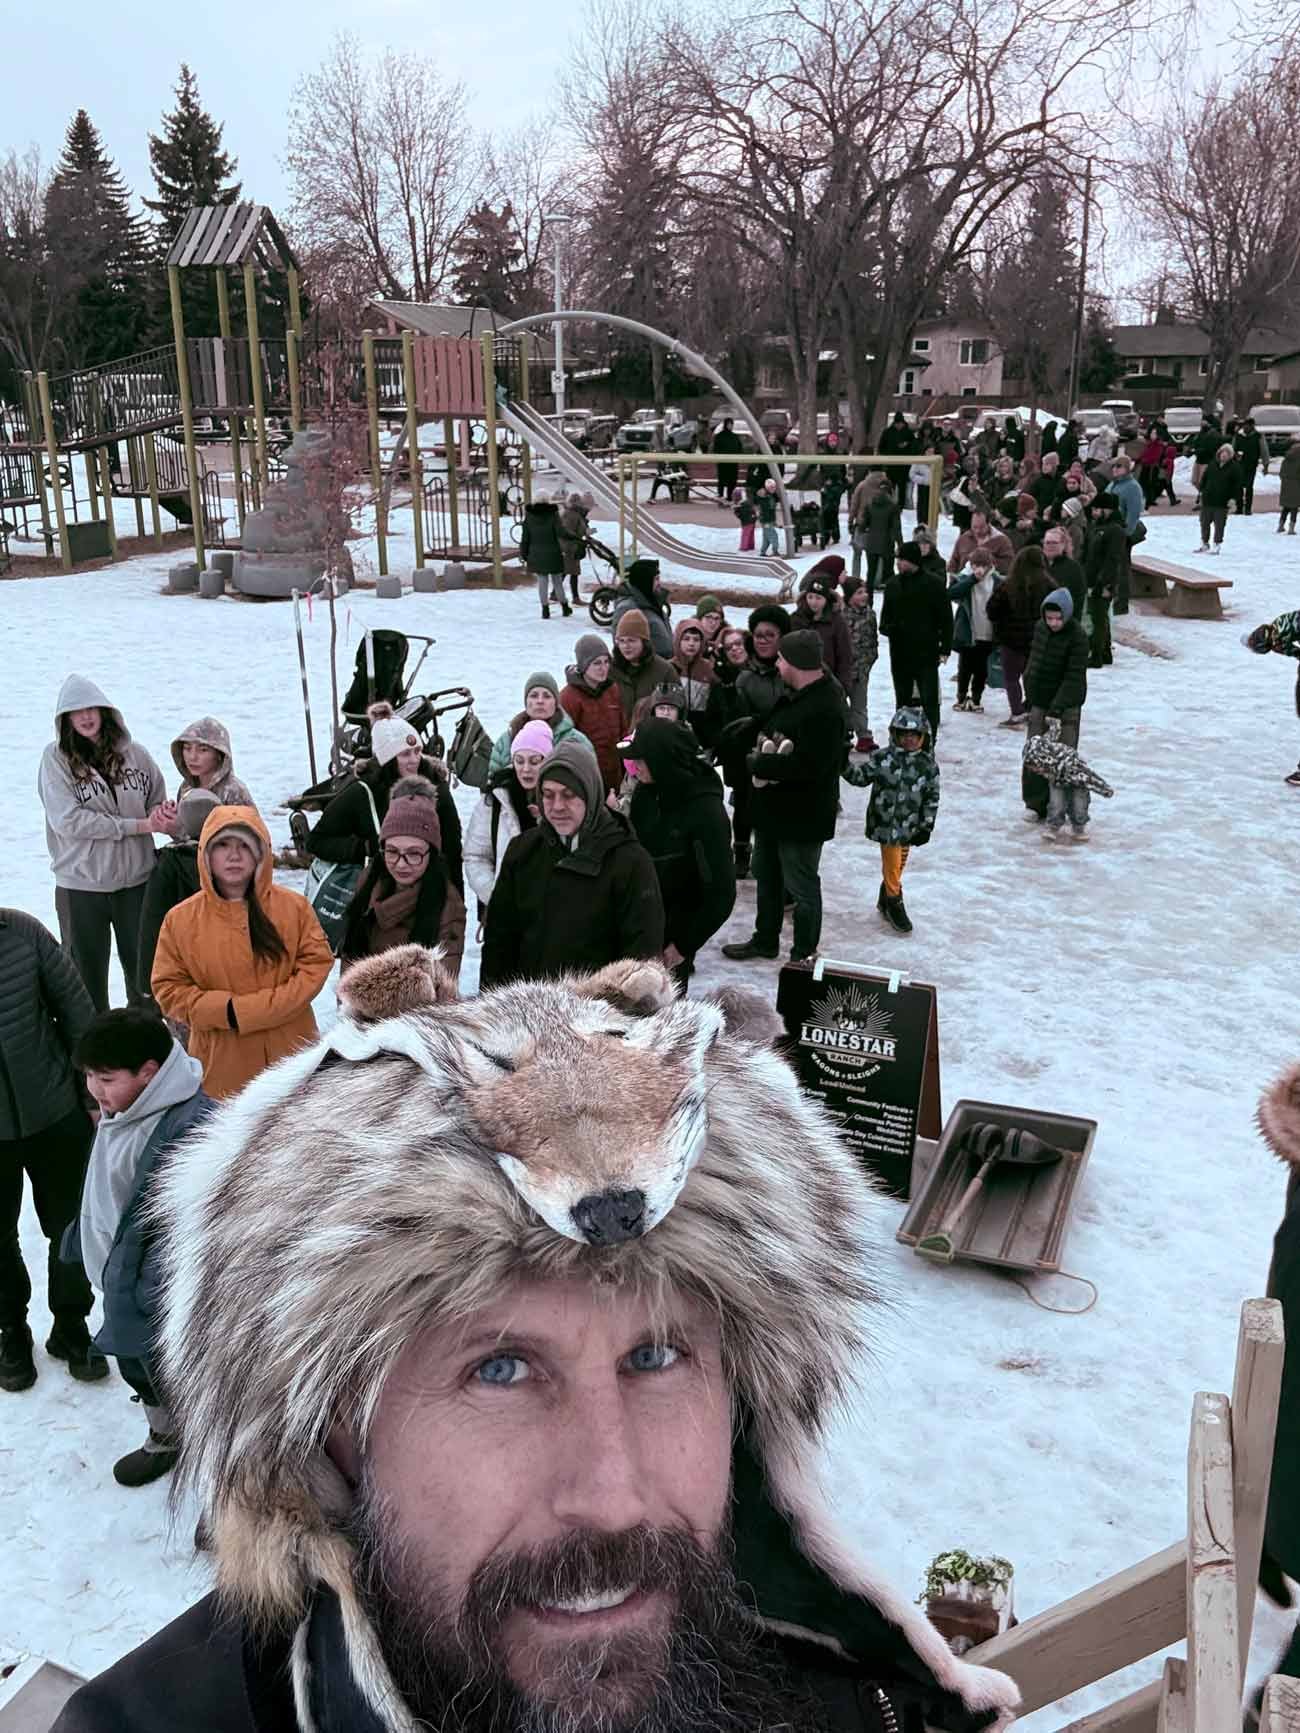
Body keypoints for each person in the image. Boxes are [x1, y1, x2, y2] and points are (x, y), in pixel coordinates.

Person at [59, 951, 1021, 1733]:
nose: (611, 1494)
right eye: (501, 1368)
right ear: (331, 1436)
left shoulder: (845, 1700)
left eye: (656, 1357)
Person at [62, 1009, 211, 1483]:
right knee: (141, 1373)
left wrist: (144, 1299)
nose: (94, 1090)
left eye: (105, 1078)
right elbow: (108, 1186)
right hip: (122, 1284)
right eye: (88, 1076)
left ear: (150, 1071)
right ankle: (166, 1437)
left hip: (159, 1299)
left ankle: (217, 1471)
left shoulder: (189, 1131)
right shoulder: (125, 1107)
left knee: (190, 1384)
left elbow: (187, 1235)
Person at [151, 808, 333, 1101]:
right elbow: (168, 988)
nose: (234, 856)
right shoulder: (180, 920)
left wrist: (269, 1008)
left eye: (244, 846)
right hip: (222, 1063)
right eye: (222, 845)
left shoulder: (293, 908)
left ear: (261, 852)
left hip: (291, 1055)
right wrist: (225, 1011)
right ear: (205, 853)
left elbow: (317, 963)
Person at [0, 908, 100, 1393]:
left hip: (54, 1111)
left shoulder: (23, 933)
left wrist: (89, 1093)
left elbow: (77, 1012)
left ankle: (71, 1325)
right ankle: (10, 1330)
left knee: (67, 1226)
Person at [480, 741, 665, 987]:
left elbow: (641, 961)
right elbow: (499, 944)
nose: (557, 807)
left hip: (594, 1018)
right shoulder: (523, 851)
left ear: (590, 794)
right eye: (548, 794)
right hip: (525, 1014)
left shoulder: (630, 862)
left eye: (569, 795)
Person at [38, 676, 171, 1013]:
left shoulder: (136, 756)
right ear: (65, 719)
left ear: (104, 711)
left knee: (145, 977)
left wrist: (163, 815)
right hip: (82, 886)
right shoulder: (56, 760)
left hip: (136, 882)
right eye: (75, 711)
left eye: (90, 708)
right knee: (85, 981)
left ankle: (146, 1050)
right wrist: (139, 826)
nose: (85, 717)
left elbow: (156, 797)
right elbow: (68, 821)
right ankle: (94, 1058)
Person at [721, 629, 846, 965]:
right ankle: (765, 941)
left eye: (781, 658)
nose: (776, 663)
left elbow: (814, 765)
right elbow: (774, 720)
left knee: (802, 886)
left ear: (797, 662)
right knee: (768, 876)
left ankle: (804, 955)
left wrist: (761, 762)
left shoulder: (827, 706)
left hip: (804, 815)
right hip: (774, 810)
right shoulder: (798, 692)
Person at [300, 705, 463, 897]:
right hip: (376, 897)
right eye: (405, 754)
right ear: (387, 758)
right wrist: (363, 848)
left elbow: (452, 850)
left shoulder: (436, 787)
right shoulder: (363, 792)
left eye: (417, 751)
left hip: (427, 894)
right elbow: (317, 841)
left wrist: (457, 903)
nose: (414, 760)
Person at [624, 718, 735, 991]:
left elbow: (721, 893)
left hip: (670, 941)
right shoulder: (646, 794)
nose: (633, 766)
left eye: (641, 758)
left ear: (662, 759)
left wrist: (682, 946)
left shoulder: (707, 814)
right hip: (635, 927)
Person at [340, 797, 465, 982]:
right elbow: (351, 953)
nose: (401, 864)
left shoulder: (447, 903)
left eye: (414, 854)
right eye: (392, 852)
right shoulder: (369, 880)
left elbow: (442, 982)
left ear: (431, 854)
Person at [842, 706, 940, 935]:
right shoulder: (882, 758)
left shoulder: (927, 766)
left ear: (924, 737)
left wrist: (926, 825)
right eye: (904, 734)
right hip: (885, 824)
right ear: (894, 734)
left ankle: (885, 895)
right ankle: (894, 899)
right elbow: (860, 777)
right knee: (893, 863)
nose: (909, 740)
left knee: (899, 861)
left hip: (910, 825)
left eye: (915, 735)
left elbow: (931, 798)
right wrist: (843, 765)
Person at [136, 788, 220, 1018]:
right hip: (221, 970)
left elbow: (152, 924)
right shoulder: (229, 863)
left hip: (181, 970)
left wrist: (146, 982)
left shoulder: (168, 866)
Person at [464, 721, 548, 918]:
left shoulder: (562, 798)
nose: (526, 769)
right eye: (519, 760)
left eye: (534, 761)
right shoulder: (495, 800)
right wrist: (496, 895)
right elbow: (475, 856)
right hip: (507, 915)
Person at [1022, 588, 1089, 831]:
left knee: (1063, 759)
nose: (1053, 623)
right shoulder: (1041, 630)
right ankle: (1035, 803)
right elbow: (1034, 662)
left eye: (1058, 619)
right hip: (1040, 700)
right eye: (1049, 618)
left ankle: (1067, 809)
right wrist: (1028, 690)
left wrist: (1058, 708)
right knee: (1035, 754)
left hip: (1066, 706)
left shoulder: (1078, 636)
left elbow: (1073, 677)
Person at [879, 540, 953, 741]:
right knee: (902, 699)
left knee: (929, 700)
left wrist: (945, 647)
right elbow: (885, 619)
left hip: (926, 653)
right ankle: (900, 738)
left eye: (901, 559)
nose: (897, 563)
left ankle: (929, 739)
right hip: (900, 652)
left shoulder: (934, 584)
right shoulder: (893, 584)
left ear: (912, 561)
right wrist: (890, 628)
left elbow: (946, 618)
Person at [986, 544, 1052, 727]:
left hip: (1011, 641)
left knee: (1011, 678)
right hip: (1038, 641)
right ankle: (1033, 709)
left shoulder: (1008, 586)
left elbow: (992, 609)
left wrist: (1001, 627)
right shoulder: (1049, 586)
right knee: (1033, 677)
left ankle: (1017, 712)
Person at [486, 673, 591, 782]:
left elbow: (589, 782)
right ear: (526, 702)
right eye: (534, 695)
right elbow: (492, 780)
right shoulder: (507, 740)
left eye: (547, 696)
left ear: (556, 702)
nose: (540, 701)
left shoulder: (576, 741)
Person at [559, 636, 625, 795]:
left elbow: (623, 729)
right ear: (583, 665)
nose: (603, 668)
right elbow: (563, 741)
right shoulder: (569, 697)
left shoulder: (612, 689)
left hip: (615, 774)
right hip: (587, 776)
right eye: (596, 663)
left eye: (606, 662)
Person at [947, 547, 999, 713]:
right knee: (965, 666)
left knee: (981, 669)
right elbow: (952, 594)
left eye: (983, 565)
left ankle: (976, 698)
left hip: (988, 631)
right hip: (968, 631)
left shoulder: (997, 581)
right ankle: (961, 697)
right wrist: (972, 580)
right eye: (976, 565)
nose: (980, 569)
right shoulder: (964, 578)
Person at [169, 716, 255, 809]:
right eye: (187, 748)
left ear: (219, 754)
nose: (192, 757)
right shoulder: (186, 787)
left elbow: (251, 823)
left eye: (203, 750)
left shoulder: (234, 791)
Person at [611, 611, 676, 726]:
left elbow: (678, 709)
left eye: (631, 640)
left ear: (644, 641)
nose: (626, 646)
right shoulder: (610, 669)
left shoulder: (664, 671)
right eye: (622, 641)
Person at [1084, 494, 1126, 670]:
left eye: (1096, 509)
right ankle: (1105, 652)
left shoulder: (1115, 530)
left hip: (1103, 582)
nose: (1093, 513)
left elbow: (1112, 559)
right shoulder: (1097, 527)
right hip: (1092, 578)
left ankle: (1097, 655)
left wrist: (1103, 584)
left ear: (1107, 509)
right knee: (1099, 616)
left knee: (1098, 618)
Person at [791, 572, 854, 690]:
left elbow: (844, 655)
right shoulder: (796, 619)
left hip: (828, 684)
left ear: (827, 599)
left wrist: (843, 686)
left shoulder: (837, 622)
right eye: (810, 597)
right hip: (799, 683)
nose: (813, 602)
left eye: (818, 598)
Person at [841, 574, 880, 751]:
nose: (864, 595)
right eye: (859, 592)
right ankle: (842, 734)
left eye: (865, 592)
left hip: (862, 669)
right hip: (842, 671)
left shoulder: (870, 614)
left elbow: (873, 640)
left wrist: (870, 659)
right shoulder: (840, 616)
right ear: (849, 597)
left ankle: (864, 736)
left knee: (859, 706)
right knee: (840, 705)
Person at [520, 494, 571, 620]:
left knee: (542, 581)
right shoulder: (553, 515)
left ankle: (545, 610)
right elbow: (561, 532)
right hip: (553, 552)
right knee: (557, 582)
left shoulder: (529, 516)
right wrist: (574, 536)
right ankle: (565, 607)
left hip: (536, 553)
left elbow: (525, 537)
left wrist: (524, 553)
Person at [611, 558, 674, 658]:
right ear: (645, 580)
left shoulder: (652, 602)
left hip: (663, 667)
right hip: (647, 669)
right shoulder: (627, 608)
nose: (659, 583)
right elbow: (622, 647)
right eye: (656, 579)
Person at [1104, 455, 1144, 614]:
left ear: (1127, 469)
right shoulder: (1112, 484)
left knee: (1122, 569)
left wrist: (1126, 533)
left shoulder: (1132, 487)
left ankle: (1121, 604)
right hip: (1109, 531)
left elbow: (1133, 513)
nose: (1115, 469)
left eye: (1119, 466)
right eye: (1113, 466)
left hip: (1121, 533)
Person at [852, 474, 903, 598]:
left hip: (872, 543)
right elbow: (896, 528)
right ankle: (892, 600)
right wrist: (900, 544)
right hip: (887, 544)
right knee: (889, 574)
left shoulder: (870, 505)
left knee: (871, 574)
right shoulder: (893, 507)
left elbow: (864, 525)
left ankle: (868, 601)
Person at [670, 618, 717, 740]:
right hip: (675, 728)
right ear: (678, 640)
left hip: (702, 732)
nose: (691, 643)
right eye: (686, 639)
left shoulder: (708, 668)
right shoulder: (668, 667)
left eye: (696, 639)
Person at [1197, 443, 1244, 555]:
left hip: (1222, 501)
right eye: (1222, 452)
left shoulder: (1234, 468)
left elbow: (1237, 486)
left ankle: (1217, 544)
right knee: (1204, 522)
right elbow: (1204, 479)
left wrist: (1233, 499)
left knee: (1219, 524)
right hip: (1208, 499)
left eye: (1227, 453)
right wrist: (1202, 491)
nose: (1224, 455)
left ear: (1230, 455)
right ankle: (1204, 543)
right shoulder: (1212, 465)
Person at [947, 509, 1013, 578]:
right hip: (964, 584)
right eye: (974, 527)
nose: (977, 531)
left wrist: (986, 560)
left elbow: (1009, 565)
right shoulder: (964, 538)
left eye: (981, 527)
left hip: (990, 585)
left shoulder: (1001, 540)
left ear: (988, 524)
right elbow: (953, 562)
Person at [1042, 524, 1086, 622]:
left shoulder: (1073, 567)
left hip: (1063, 621)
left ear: (1063, 545)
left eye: (1054, 543)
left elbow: (1077, 599)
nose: (1050, 546)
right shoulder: (1039, 564)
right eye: (1047, 542)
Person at [712, 414, 742, 498]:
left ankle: (729, 497)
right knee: (722, 481)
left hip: (732, 464)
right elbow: (716, 450)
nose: (730, 426)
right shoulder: (719, 437)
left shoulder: (735, 437)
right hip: (723, 464)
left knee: (732, 481)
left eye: (731, 424)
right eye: (729, 424)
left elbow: (739, 449)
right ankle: (721, 497)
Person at [1191, 418, 1221, 501]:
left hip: (1207, 461)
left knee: (1203, 481)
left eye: (1204, 421)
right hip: (1199, 460)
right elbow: (1195, 443)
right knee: (1194, 481)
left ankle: (1205, 500)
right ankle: (1205, 496)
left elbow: (1209, 449)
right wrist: (1192, 449)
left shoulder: (1213, 434)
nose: (1202, 423)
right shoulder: (1200, 433)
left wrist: (1197, 450)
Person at [818, 467, 845, 547]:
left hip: (829, 504)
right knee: (833, 518)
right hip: (833, 504)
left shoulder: (829, 487)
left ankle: (829, 536)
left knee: (828, 519)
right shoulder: (837, 485)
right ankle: (835, 536)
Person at [756, 476, 781, 555]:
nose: (773, 489)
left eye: (774, 487)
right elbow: (767, 510)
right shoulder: (765, 498)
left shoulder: (770, 496)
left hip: (767, 520)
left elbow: (770, 510)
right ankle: (775, 551)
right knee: (774, 536)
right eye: (771, 487)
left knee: (766, 537)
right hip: (766, 521)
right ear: (767, 488)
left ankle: (763, 552)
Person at [1280, 438, 1300, 535]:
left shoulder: (1287, 456)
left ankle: (1280, 525)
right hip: (1296, 483)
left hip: (1286, 483)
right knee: (1294, 507)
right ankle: (1291, 528)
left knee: (1286, 506)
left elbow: (1281, 471)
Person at [733, 485, 757, 550]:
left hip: (746, 521)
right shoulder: (747, 503)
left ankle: (744, 547)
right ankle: (751, 546)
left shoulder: (740, 505)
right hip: (752, 519)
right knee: (751, 533)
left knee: (745, 534)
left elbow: (738, 514)